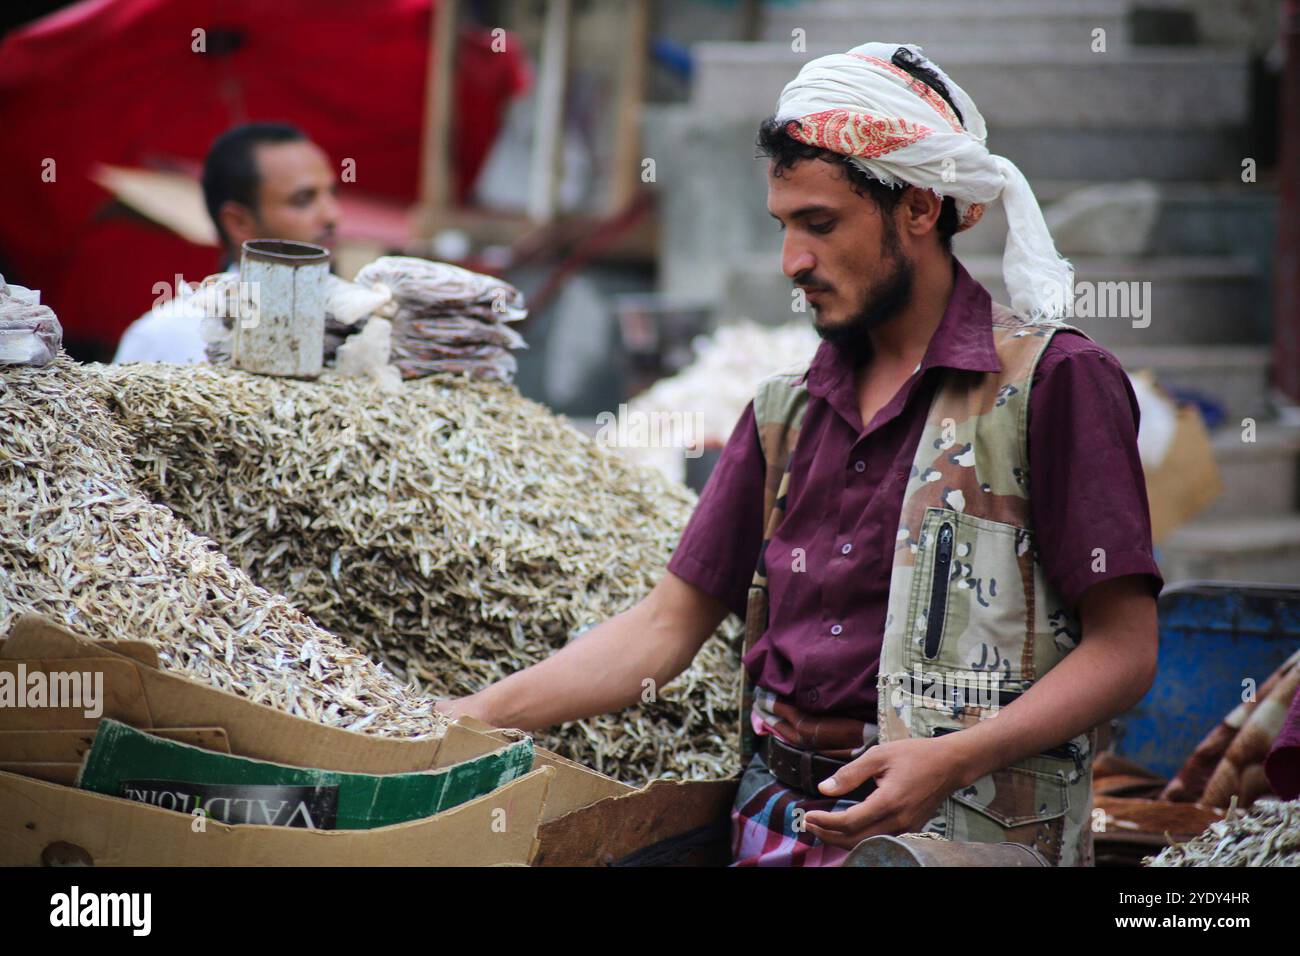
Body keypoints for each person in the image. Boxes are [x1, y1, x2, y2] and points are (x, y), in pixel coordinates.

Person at [437, 42, 1162, 867]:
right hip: (775, 824)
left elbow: (1125, 649)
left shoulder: (1053, 383)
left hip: (958, 841)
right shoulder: (786, 408)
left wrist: (954, 756)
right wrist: (470, 715)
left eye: (820, 225)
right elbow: (664, 627)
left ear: (920, 209)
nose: (794, 263)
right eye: (784, 227)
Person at [113, 122, 339, 364]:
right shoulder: (165, 336)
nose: (332, 215)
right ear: (238, 222)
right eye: (303, 200)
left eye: (332, 193)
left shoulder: (361, 327)